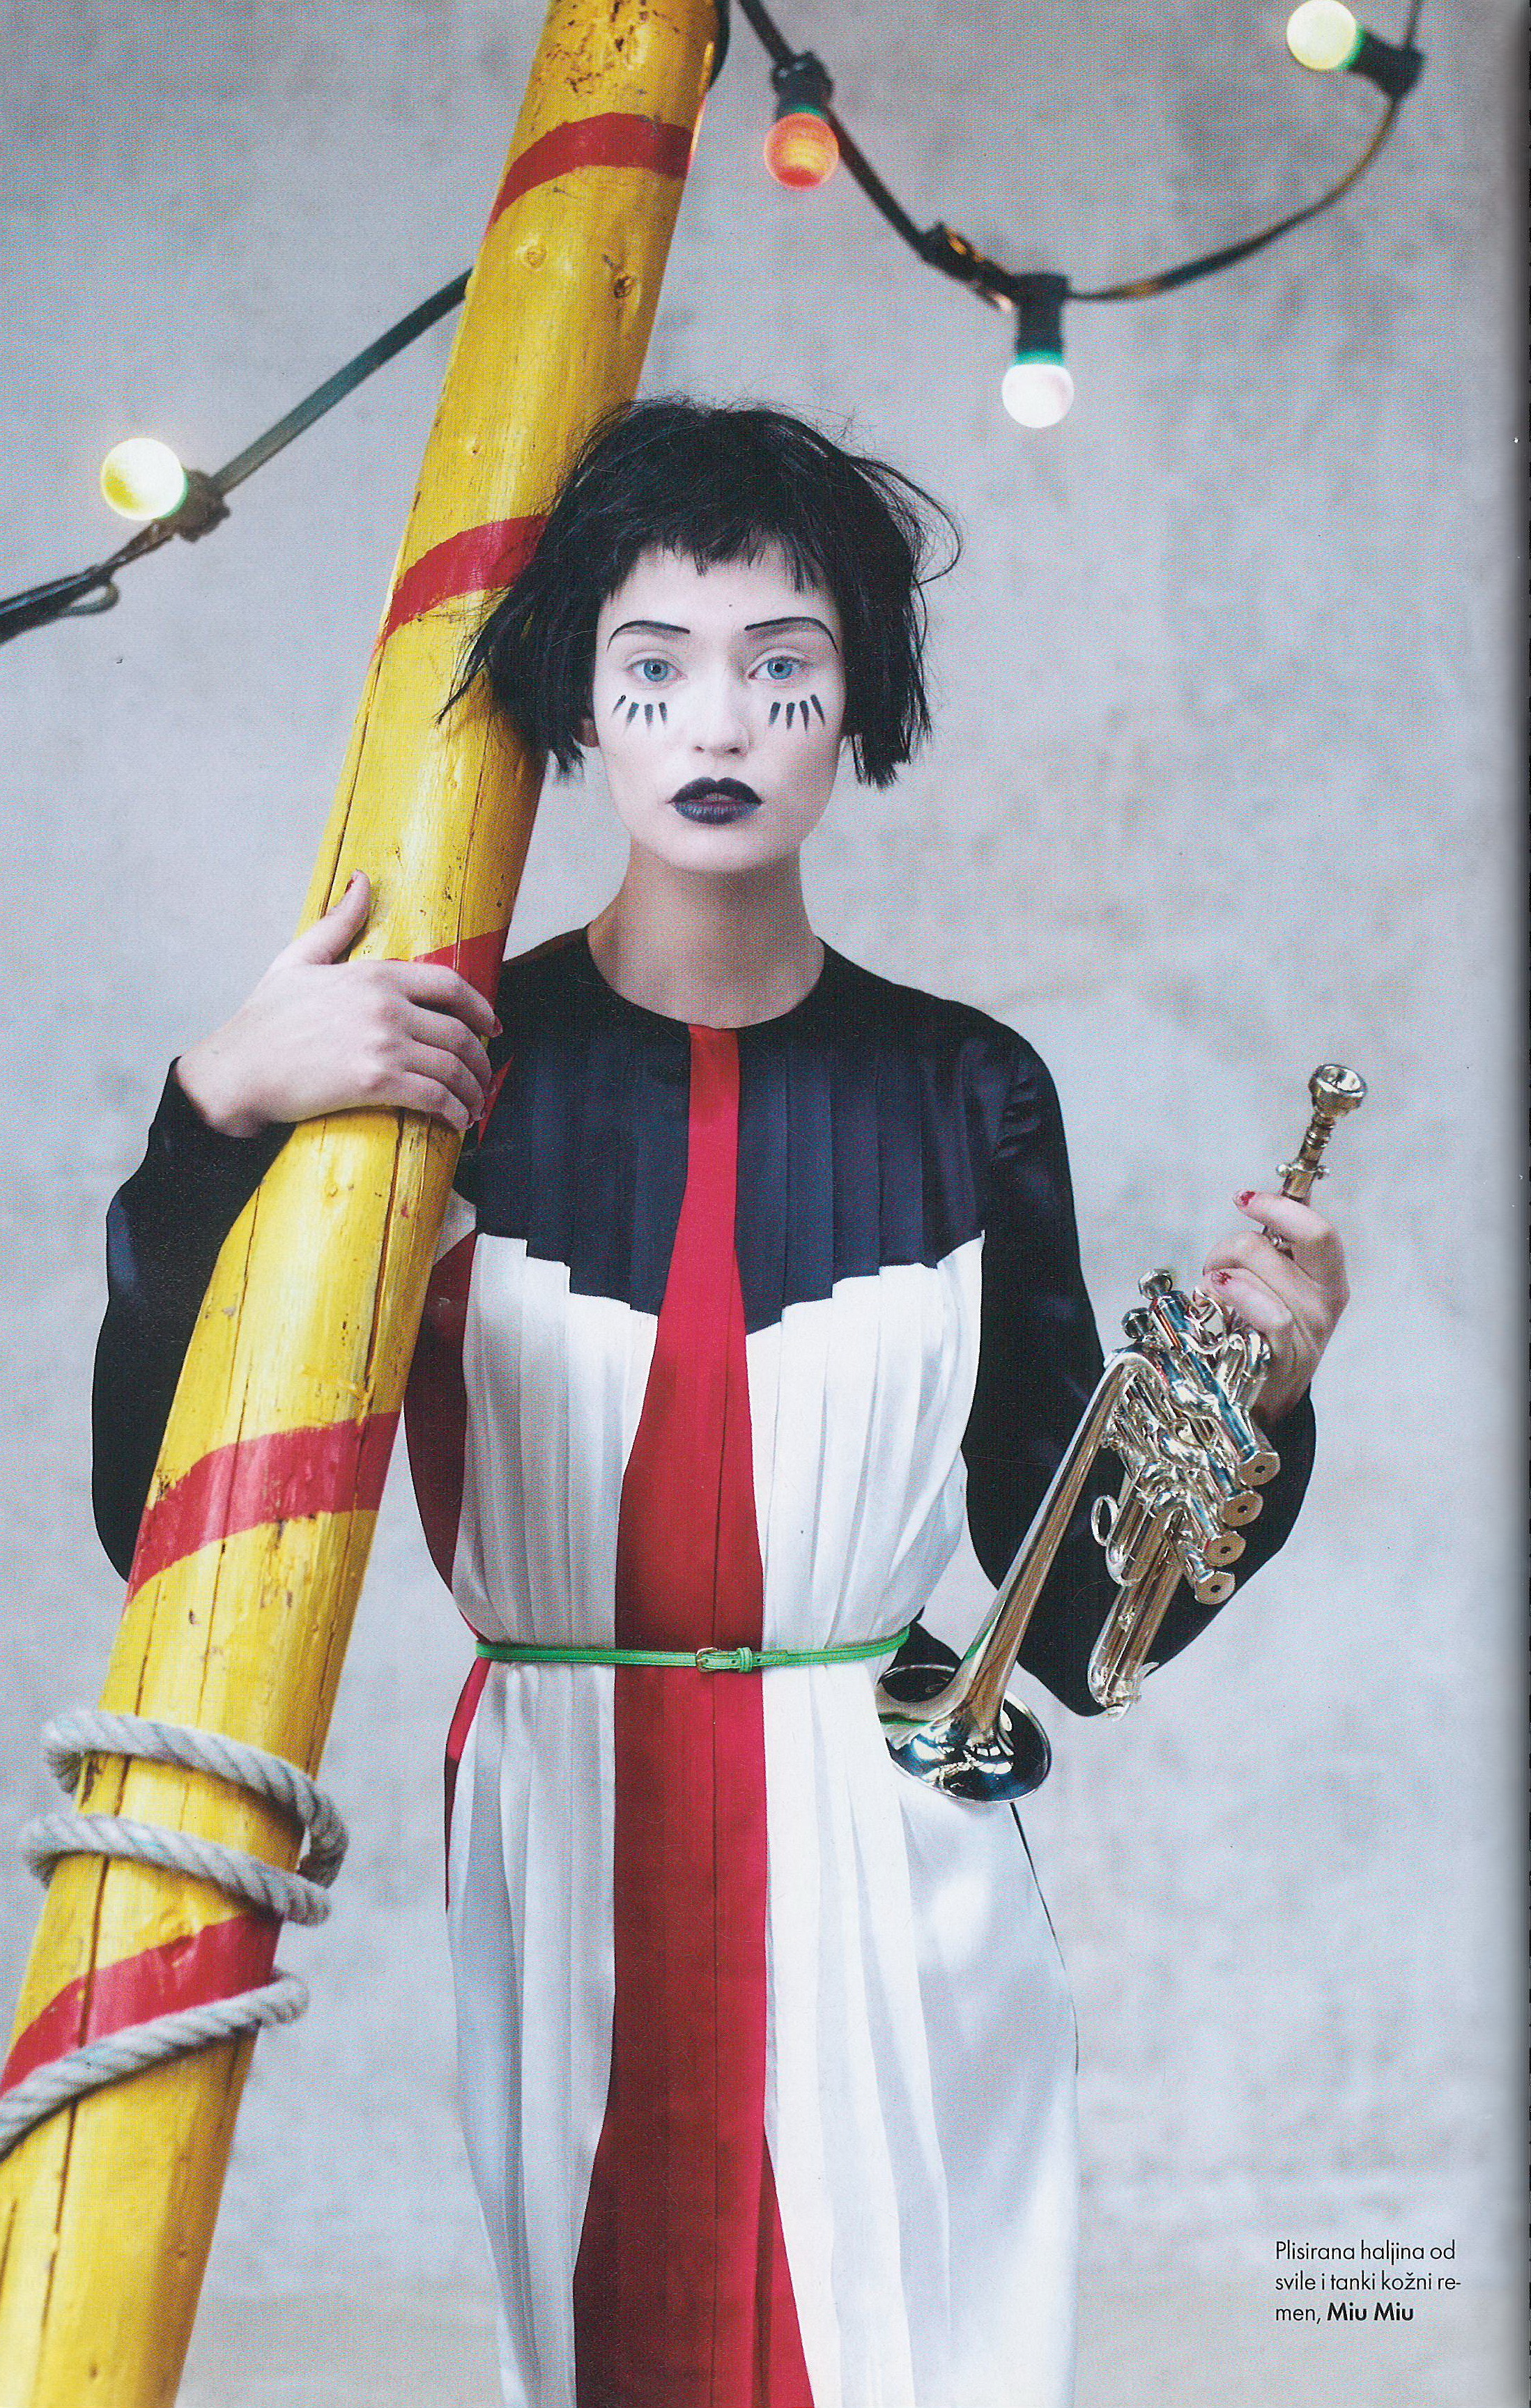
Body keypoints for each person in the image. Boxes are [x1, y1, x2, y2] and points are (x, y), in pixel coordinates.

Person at [92, 401, 1348, 2408]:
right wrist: (214, 1114)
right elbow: (158, 1520)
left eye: (785, 668)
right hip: (562, 1820)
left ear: (858, 710)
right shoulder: (445, 1062)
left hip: (900, 1848)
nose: (721, 723)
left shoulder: (969, 1088)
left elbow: (1074, 1631)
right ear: (580, 706)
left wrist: (1261, 1401)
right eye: (654, 668)